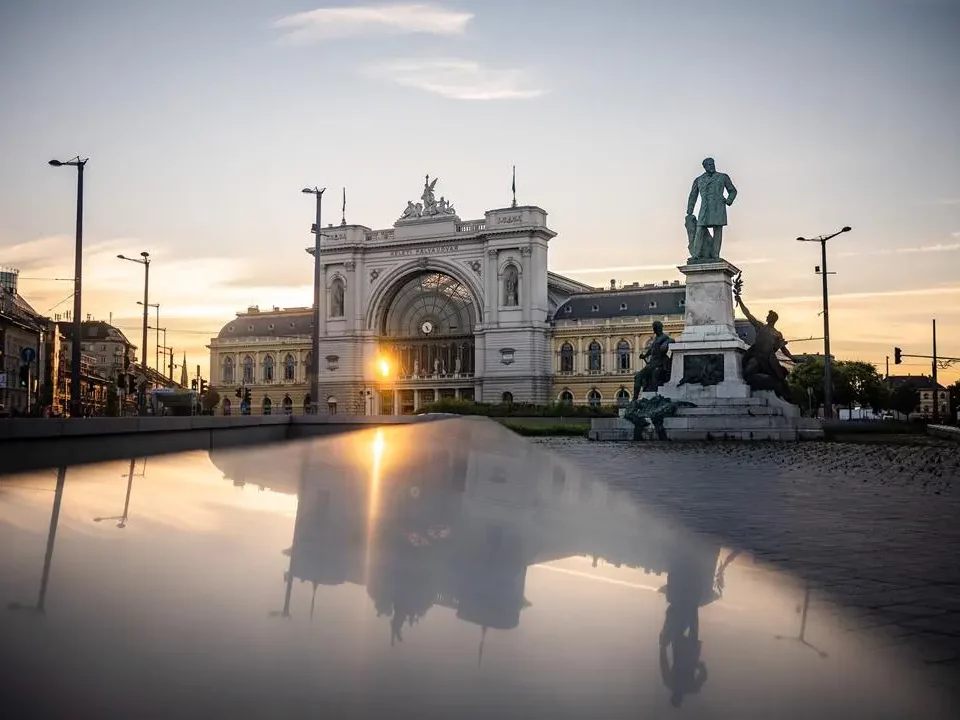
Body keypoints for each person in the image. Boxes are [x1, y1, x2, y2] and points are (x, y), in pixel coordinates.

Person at [736, 295, 796, 399]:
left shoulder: (777, 334)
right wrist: (740, 301)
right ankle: (765, 384)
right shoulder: (760, 327)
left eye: (768, 316)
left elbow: (784, 349)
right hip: (756, 357)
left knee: (779, 378)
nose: (766, 317)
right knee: (747, 374)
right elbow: (748, 314)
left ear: (773, 319)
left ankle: (781, 392)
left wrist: (792, 358)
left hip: (768, 359)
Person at [633, 321, 673, 399]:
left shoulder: (664, 337)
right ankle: (634, 399)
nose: (654, 329)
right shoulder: (656, 339)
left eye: (655, 327)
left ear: (658, 328)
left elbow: (672, 340)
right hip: (651, 364)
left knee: (654, 377)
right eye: (654, 327)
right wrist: (645, 355)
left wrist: (667, 343)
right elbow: (651, 349)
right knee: (637, 376)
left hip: (658, 364)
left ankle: (655, 397)